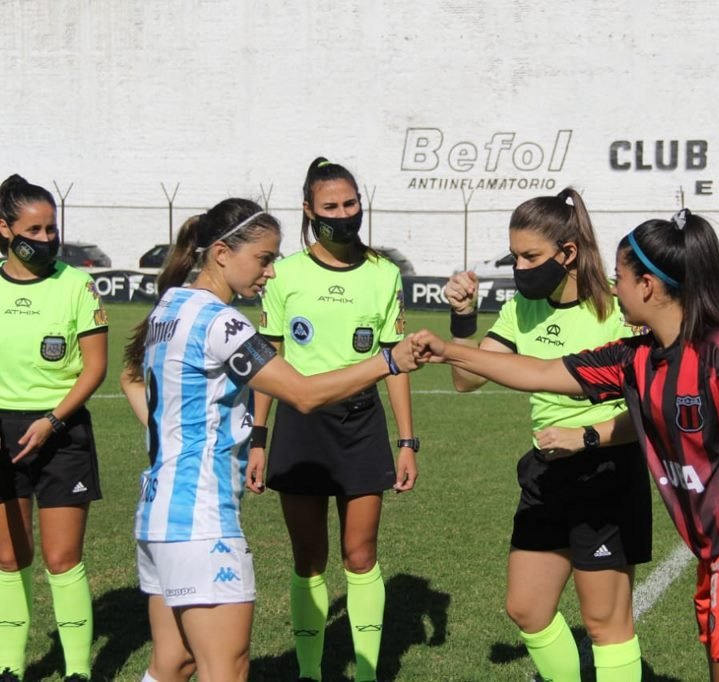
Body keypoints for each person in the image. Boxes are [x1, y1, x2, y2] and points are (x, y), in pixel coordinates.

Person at [411, 209, 719, 682]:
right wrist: (448, 350)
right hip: (716, 553)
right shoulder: (636, 358)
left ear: (647, 286)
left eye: (620, 278)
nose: (614, 288)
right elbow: (541, 372)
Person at [120, 198, 419, 682]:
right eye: (263, 259)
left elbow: (131, 379)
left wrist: (177, 435)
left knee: (173, 664)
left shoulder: (170, 307)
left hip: (157, 514)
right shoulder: (221, 322)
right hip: (201, 519)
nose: (271, 272)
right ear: (221, 253)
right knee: (226, 669)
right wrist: (388, 361)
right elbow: (302, 393)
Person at [443, 187, 651, 682]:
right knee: (527, 608)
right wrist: (463, 317)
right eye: (514, 256)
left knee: (605, 622)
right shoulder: (522, 308)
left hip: (606, 471)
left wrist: (587, 437)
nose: (520, 267)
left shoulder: (618, 308)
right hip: (546, 472)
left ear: (568, 253)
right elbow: (466, 379)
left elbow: (650, 409)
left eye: (531, 257)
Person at [251, 157, 416, 682]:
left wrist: (407, 441)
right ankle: (309, 672)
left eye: (351, 204)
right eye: (331, 206)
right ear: (308, 210)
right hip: (300, 427)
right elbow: (268, 360)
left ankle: (365, 675)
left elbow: (394, 364)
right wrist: (258, 438)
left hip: (361, 423)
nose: (343, 214)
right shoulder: (285, 274)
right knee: (308, 558)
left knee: (360, 555)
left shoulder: (384, 274)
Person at [0, 174, 108, 682]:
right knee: (8, 557)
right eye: (34, 230)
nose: (46, 239)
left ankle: (78, 670)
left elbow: (95, 367)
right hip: (3, 430)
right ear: (5, 229)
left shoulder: (76, 284)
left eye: (51, 228)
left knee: (63, 558)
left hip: (61, 431)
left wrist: (51, 420)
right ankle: (9, 665)